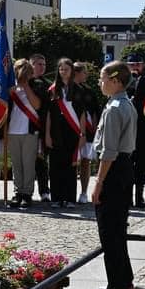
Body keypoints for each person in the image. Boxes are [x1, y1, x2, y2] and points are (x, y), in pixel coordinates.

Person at [90, 60, 137, 289]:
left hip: (114, 170)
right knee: (118, 230)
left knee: (110, 232)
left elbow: (108, 152)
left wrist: (98, 182)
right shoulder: (125, 104)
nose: (100, 82)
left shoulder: (114, 109)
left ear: (116, 80)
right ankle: (124, 281)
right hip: (124, 168)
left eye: (103, 78)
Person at [45, 57, 83, 208]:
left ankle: (69, 198)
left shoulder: (78, 90)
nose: (63, 72)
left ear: (71, 71)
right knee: (55, 167)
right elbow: (48, 114)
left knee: (70, 167)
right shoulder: (52, 90)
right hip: (55, 132)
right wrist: (47, 134)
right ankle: (57, 198)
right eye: (61, 69)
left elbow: (81, 114)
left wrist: (82, 135)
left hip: (72, 132)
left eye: (66, 69)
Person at [7, 58, 43, 209]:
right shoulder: (10, 86)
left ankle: (27, 193)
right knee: (16, 164)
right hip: (13, 130)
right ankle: (17, 192)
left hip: (29, 130)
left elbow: (37, 105)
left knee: (28, 164)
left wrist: (26, 85)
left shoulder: (36, 85)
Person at [125, 53, 145, 209]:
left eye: (138, 64)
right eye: (132, 64)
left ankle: (139, 195)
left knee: (142, 163)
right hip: (126, 128)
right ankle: (127, 195)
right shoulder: (121, 82)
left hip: (143, 127)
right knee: (127, 163)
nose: (135, 67)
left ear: (143, 66)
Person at [72, 61, 99, 205]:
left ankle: (83, 192)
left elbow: (94, 111)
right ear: (76, 72)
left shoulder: (89, 90)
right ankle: (70, 191)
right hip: (72, 129)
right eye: (84, 72)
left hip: (87, 131)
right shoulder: (68, 89)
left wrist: (94, 130)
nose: (86, 75)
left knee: (85, 162)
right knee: (72, 162)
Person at [29, 54, 52, 203]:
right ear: (31, 65)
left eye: (43, 64)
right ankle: (25, 190)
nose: (41, 67)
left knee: (42, 161)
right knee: (26, 162)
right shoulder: (24, 83)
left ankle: (44, 191)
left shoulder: (48, 85)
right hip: (26, 127)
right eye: (38, 64)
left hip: (42, 126)